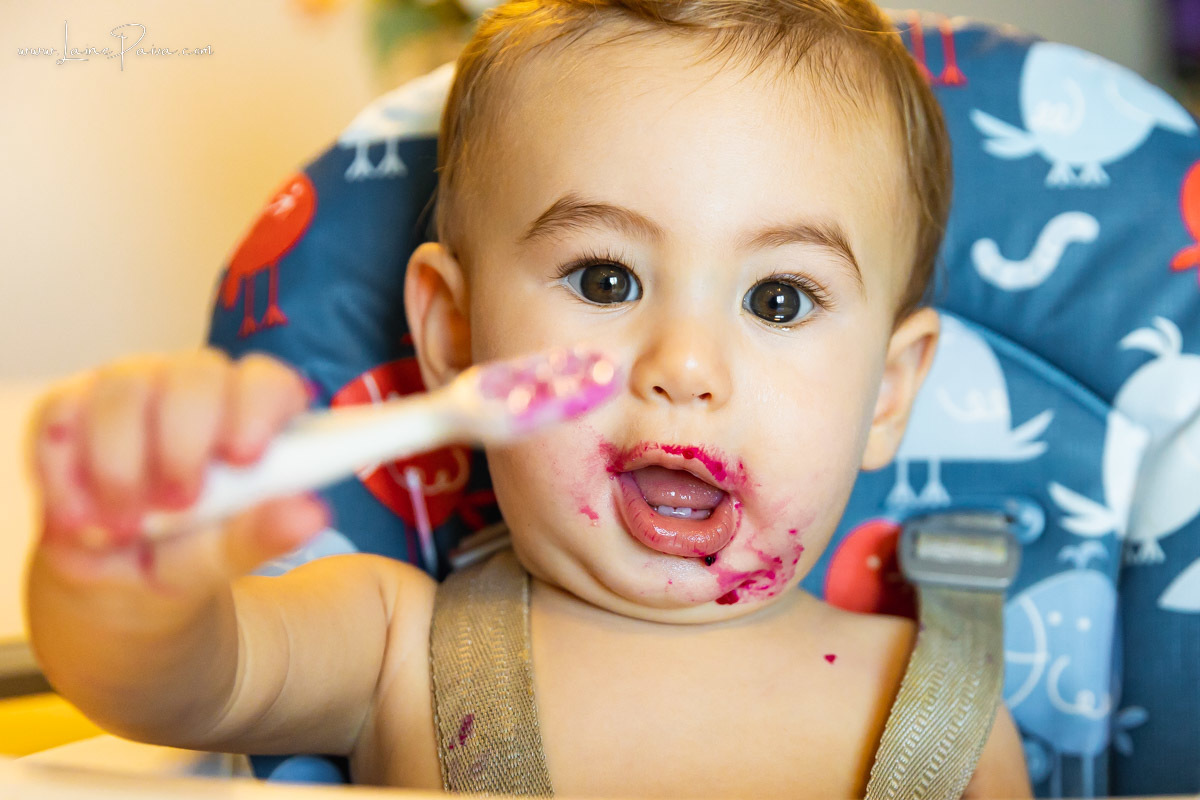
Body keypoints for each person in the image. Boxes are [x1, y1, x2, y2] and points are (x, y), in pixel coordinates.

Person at [24, 0, 1032, 796]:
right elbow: (175, 681)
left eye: (779, 298)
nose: (685, 364)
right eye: (606, 279)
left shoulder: (947, 713)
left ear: (888, 392)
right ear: (456, 334)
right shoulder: (392, 646)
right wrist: (122, 578)